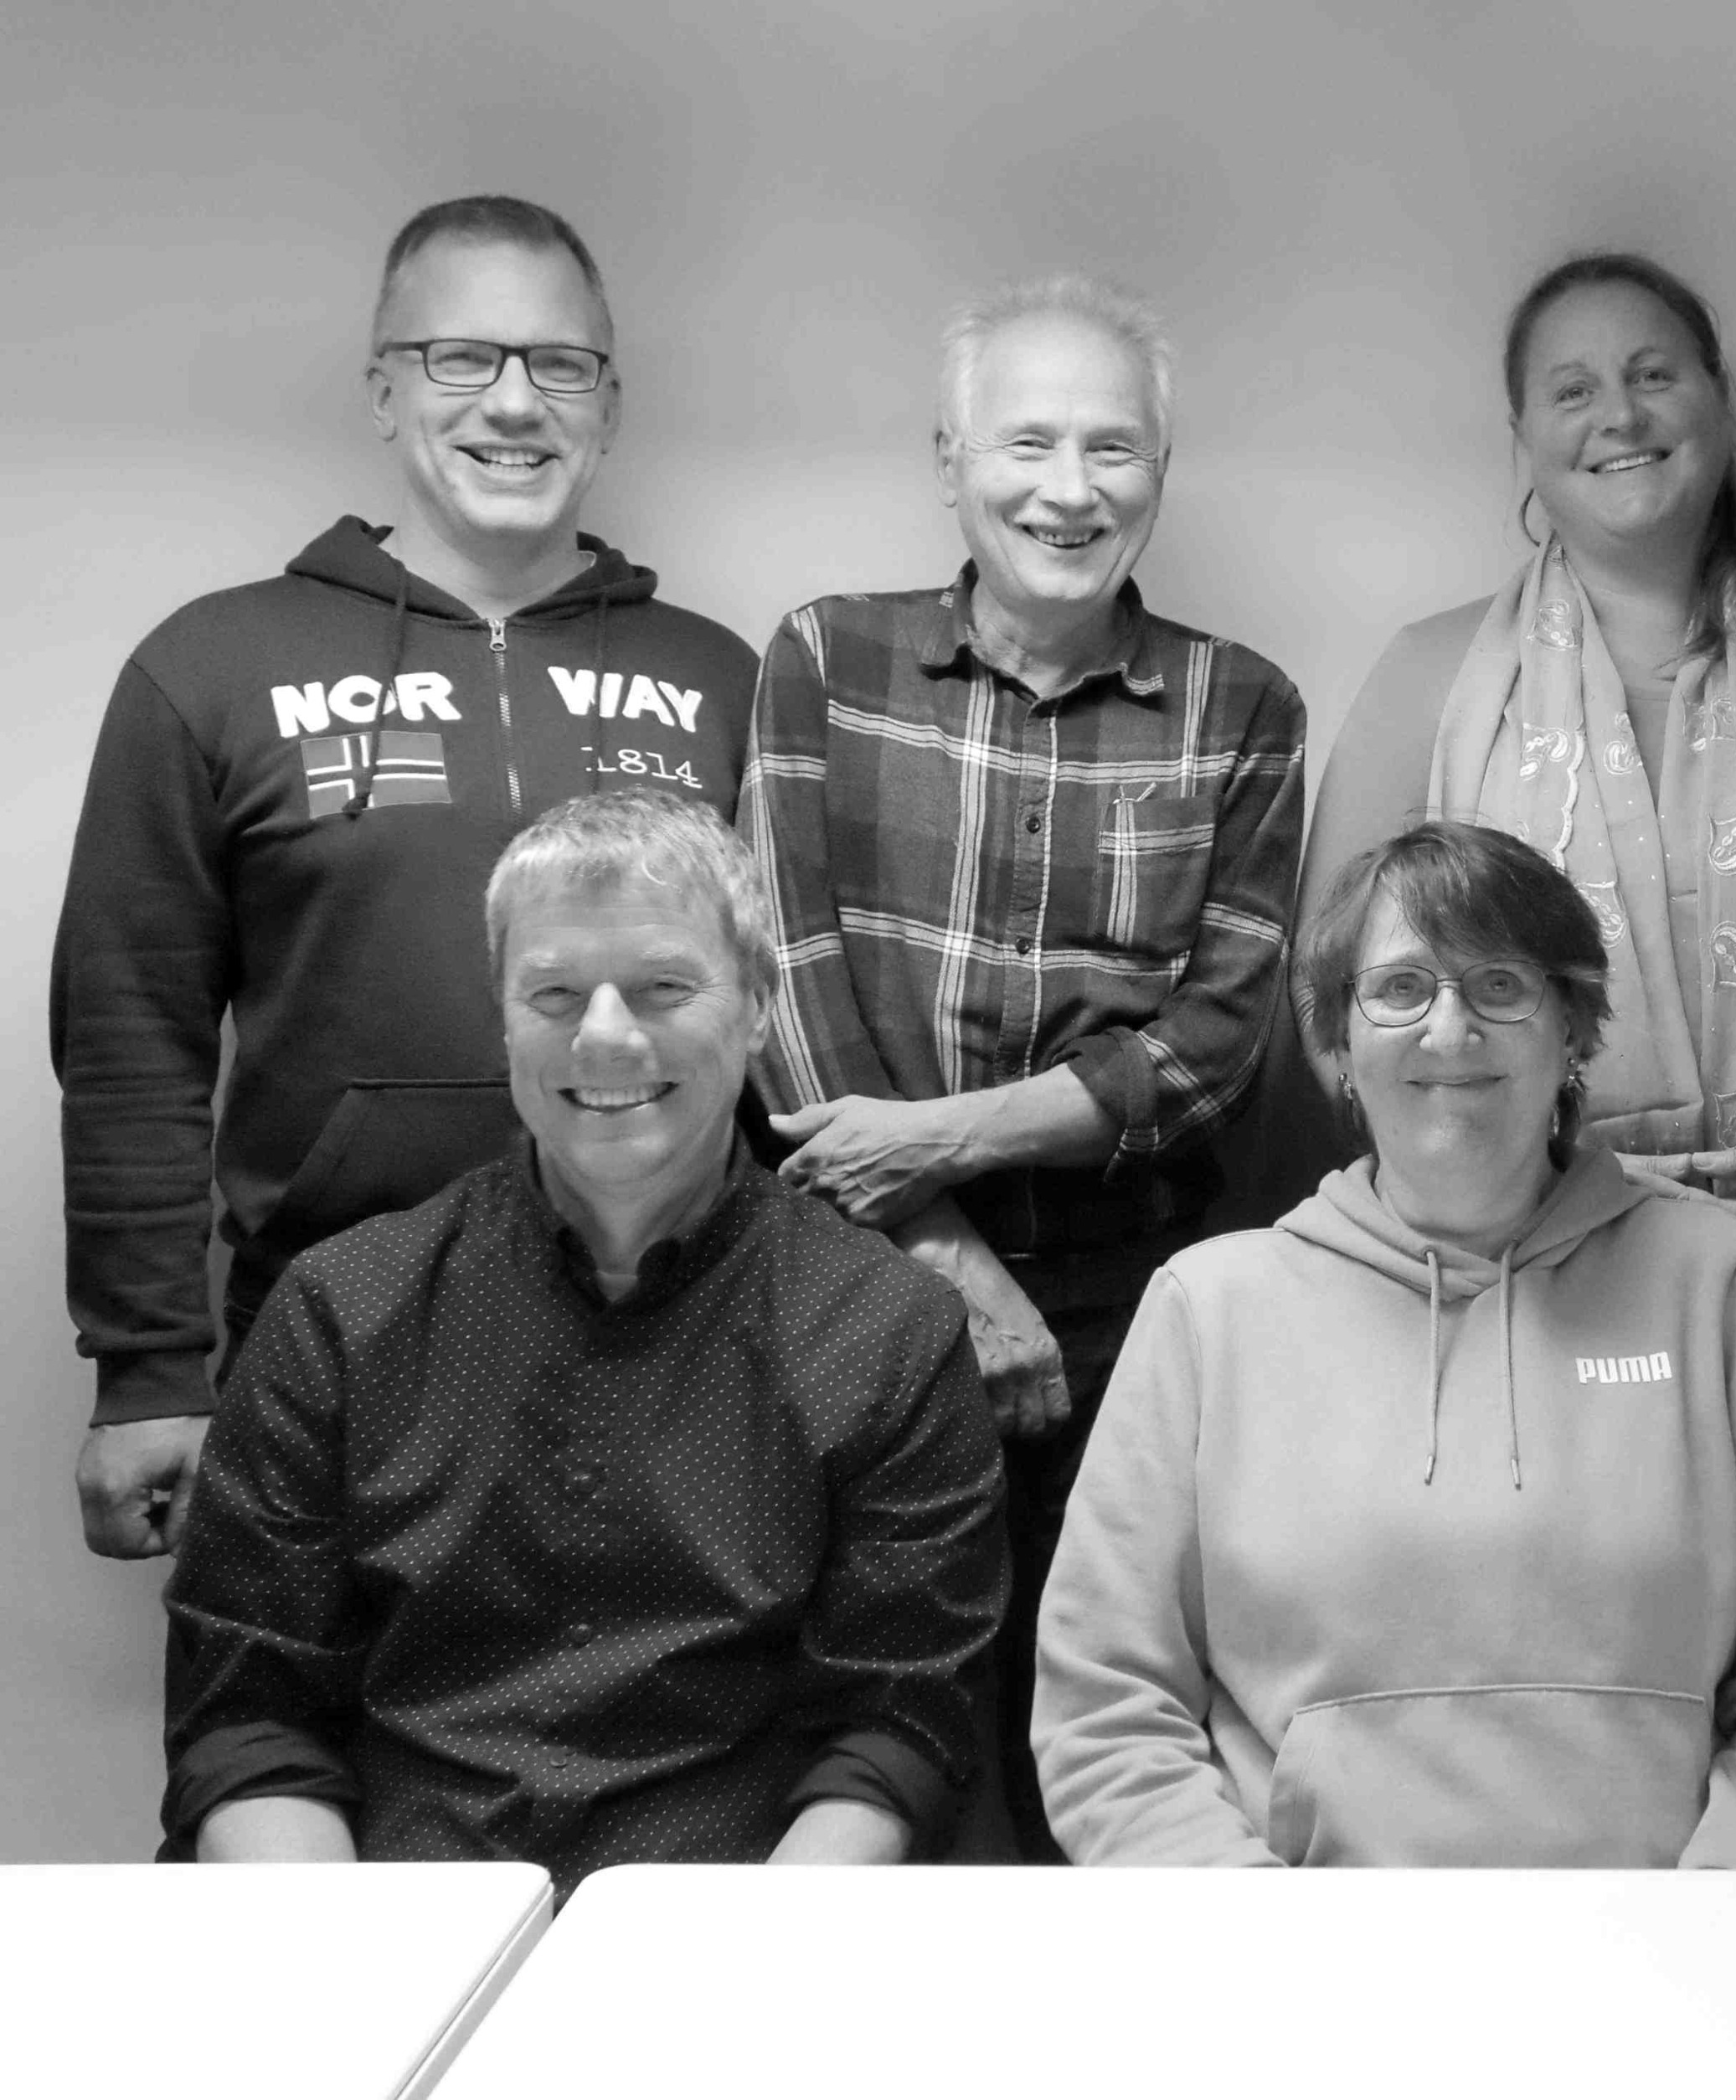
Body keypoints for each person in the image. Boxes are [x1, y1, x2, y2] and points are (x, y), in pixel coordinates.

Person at [54, 194, 755, 1563]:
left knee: (675, 1703)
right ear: (384, 389)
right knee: (301, 1700)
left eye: (559, 364)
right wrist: (147, 1371)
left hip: (678, 1342)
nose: (515, 402)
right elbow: (130, 1034)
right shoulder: (214, 667)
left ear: (609, 405)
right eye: (461, 357)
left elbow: (783, 1022)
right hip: (329, 1342)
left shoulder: (721, 679)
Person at [160, 790, 1004, 1881]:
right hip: (392, 1906)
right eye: (554, 993)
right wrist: (353, 1956)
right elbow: (248, 1716)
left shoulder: (889, 1331)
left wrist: (743, 1961)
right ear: (504, 1017)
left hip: (740, 1913)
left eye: (663, 988)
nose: (605, 1035)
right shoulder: (340, 1310)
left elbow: (899, 1730)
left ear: (757, 1007)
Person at [1037, 821, 1736, 1866]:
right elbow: (1106, 1708)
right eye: (1401, 990)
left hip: (1670, 1946)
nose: (1450, 1031)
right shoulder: (1208, 1310)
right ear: (1339, 1044)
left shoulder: (1715, 1282)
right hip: (1303, 1948)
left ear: (1572, 1028)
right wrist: (1263, 1942)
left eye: (1499, 986)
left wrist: (1718, 1929)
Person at [1286, 252, 1736, 1480]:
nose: (1619, 416)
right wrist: (1498, 1182)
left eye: (1653, 375)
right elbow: (1327, 1006)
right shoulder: (1427, 683)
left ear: (1719, 401)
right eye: (1572, 390)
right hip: (1510, 1290)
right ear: (1522, 438)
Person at [739, 275, 1307, 1860]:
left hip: (1133, 1315)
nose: (1071, 489)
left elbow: (1212, 1048)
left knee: (1099, 1738)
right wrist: (940, 1249)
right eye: (1029, 443)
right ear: (950, 461)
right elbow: (781, 982)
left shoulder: (1243, 704)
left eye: (1113, 448)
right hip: (846, 1288)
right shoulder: (824, 657)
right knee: (859, 1736)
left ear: (1161, 473)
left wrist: (935, 1146)